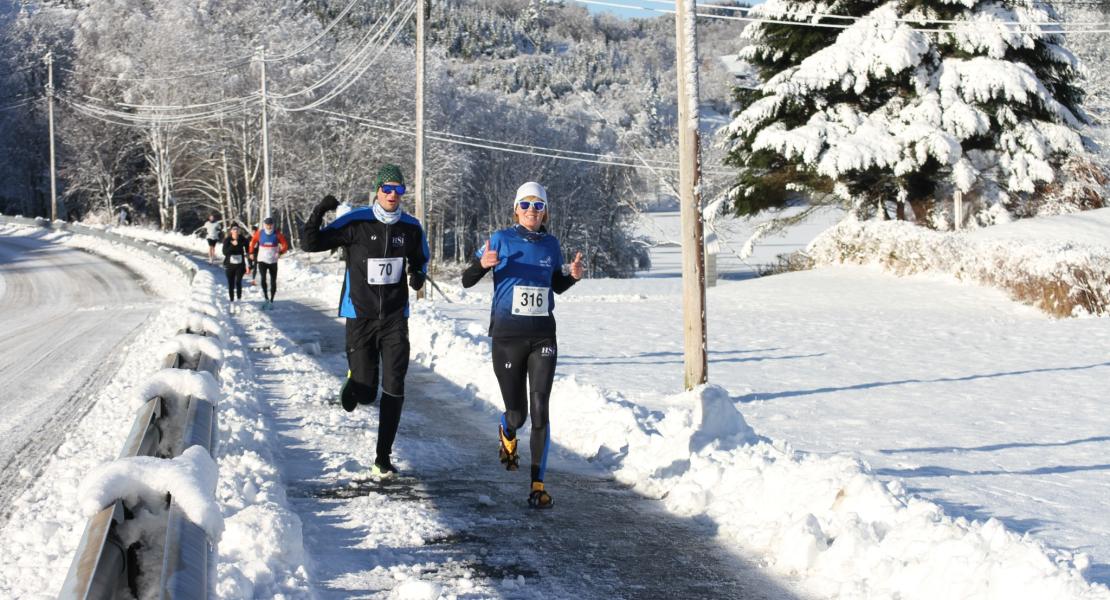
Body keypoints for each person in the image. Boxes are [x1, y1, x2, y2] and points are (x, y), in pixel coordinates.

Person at [461, 181, 583, 509]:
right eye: (526, 205)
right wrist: (481, 265)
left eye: (538, 206)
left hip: (544, 336)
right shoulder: (499, 240)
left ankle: (537, 486)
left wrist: (571, 276)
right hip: (507, 338)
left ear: (546, 212)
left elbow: (554, 286)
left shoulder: (551, 245)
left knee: (541, 409)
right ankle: (507, 431)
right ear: (515, 208)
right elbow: (466, 279)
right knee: (518, 415)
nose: (532, 211)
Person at [302, 164, 429, 478]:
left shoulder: (411, 227)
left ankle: (382, 458)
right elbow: (310, 243)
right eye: (387, 189)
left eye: (398, 189)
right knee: (367, 391)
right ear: (377, 191)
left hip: (396, 318)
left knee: (395, 384)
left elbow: (420, 257)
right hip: (360, 316)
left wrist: (418, 274)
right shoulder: (355, 222)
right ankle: (356, 379)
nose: (392, 194)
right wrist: (321, 209)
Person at [249, 216, 289, 310]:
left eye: (270, 225)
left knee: (273, 281)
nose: (269, 227)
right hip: (262, 260)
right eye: (267, 225)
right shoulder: (260, 233)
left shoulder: (277, 234)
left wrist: (281, 252)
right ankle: (266, 298)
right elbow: (253, 241)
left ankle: (271, 300)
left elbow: (285, 244)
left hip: (273, 261)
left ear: (273, 225)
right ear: (264, 225)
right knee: (263, 278)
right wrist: (251, 252)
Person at [222, 224, 250, 313]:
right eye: (234, 229)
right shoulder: (228, 240)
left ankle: (238, 302)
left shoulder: (242, 238)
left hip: (240, 265)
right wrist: (232, 245)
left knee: (238, 282)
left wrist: (248, 254)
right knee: (231, 284)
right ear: (231, 231)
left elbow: (248, 248)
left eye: (237, 229)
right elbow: (224, 252)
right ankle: (232, 303)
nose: (235, 231)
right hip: (229, 265)